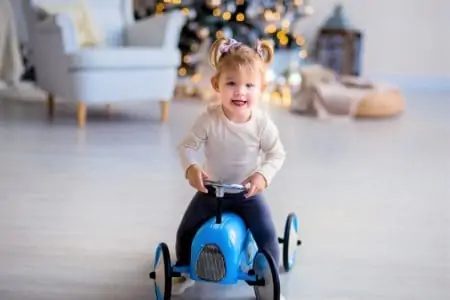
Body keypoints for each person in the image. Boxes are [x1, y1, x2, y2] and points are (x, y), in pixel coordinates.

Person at [173, 37, 287, 298]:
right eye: (231, 83)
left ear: (262, 88)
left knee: (267, 232)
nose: (240, 92)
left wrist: (262, 175)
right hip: (211, 191)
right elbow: (185, 147)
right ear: (217, 85)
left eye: (249, 85)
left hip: (246, 193)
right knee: (186, 230)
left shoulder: (261, 124)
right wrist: (191, 168)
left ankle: (271, 277)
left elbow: (277, 153)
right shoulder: (209, 119)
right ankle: (182, 267)